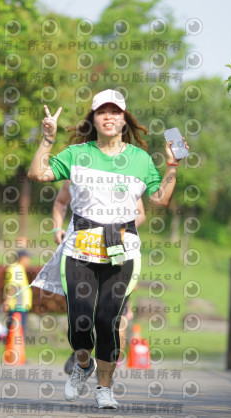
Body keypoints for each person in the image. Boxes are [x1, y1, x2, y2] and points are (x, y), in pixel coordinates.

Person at [27, 89, 187, 409]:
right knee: (80, 321)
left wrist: (172, 165)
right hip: (80, 248)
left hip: (122, 249)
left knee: (107, 320)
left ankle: (104, 387)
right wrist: (48, 139)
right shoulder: (77, 153)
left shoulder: (140, 159)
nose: (109, 117)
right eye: (103, 111)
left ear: (124, 120)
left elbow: (160, 199)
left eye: (116, 111)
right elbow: (38, 173)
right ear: (94, 119)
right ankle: (83, 364)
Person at [54, 179, 145, 375]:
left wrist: (118, 228)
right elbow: (60, 201)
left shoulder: (125, 177)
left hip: (116, 252)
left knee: (112, 319)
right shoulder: (74, 176)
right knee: (82, 315)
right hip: (83, 255)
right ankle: (82, 356)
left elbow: (140, 213)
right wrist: (57, 228)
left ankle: (108, 371)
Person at [2, 250, 33, 334]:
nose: (29, 261)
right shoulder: (16, 268)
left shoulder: (20, 268)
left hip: (20, 307)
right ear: (23, 258)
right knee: (15, 333)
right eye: (28, 258)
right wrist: (7, 301)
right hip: (17, 306)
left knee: (17, 332)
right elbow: (13, 286)